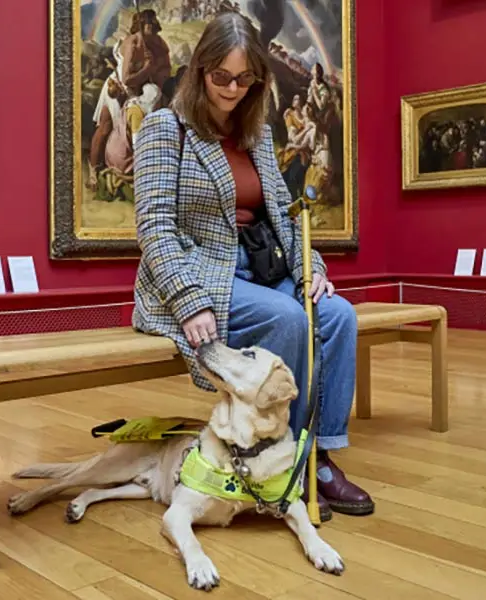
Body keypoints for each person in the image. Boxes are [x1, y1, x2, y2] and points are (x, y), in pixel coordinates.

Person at [128, 12, 372, 519]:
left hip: (261, 266)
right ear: (200, 70)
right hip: (198, 271)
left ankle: (314, 457)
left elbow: (286, 214)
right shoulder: (164, 127)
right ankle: (279, 466)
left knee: (338, 316)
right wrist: (189, 301)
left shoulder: (255, 134)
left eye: (245, 79)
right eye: (222, 77)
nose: (233, 89)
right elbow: (154, 226)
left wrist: (313, 269)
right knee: (288, 319)